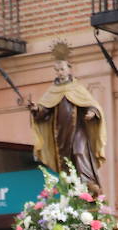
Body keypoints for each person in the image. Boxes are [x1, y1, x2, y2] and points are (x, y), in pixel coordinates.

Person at [30, 41, 106, 194]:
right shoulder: (52, 91)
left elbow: (90, 104)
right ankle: (71, 187)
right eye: (57, 70)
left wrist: (92, 112)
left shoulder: (77, 88)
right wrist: (36, 109)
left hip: (78, 129)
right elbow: (45, 110)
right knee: (66, 160)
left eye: (62, 69)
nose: (60, 72)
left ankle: (87, 183)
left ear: (69, 69)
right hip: (61, 133)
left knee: (80, 152)